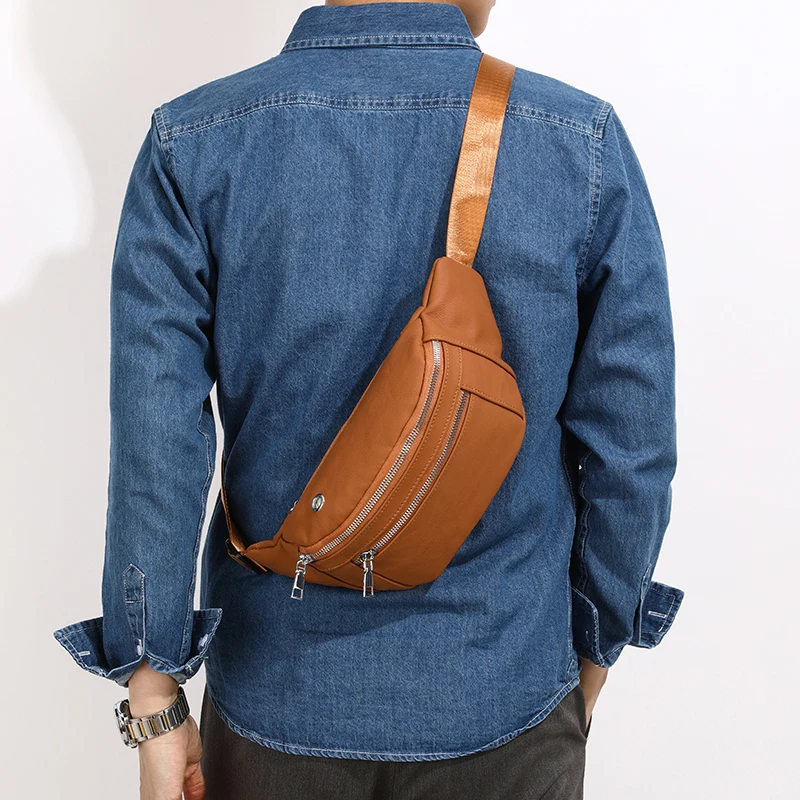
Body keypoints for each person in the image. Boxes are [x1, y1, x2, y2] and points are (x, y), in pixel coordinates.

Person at [53, 2, 685, 798]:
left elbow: (158, 450)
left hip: (277, 701)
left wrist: (154, 699)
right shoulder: (578, 141)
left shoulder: (194, 144)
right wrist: (591, 654)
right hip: (506, 692)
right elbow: (632, 449)